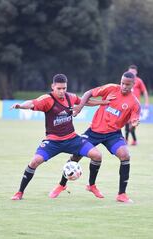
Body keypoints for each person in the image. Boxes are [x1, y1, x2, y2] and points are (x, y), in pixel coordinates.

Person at [10, 74, 110, 200]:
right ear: (53, 87)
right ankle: (19, 192)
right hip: (53, 141)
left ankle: (92, 185)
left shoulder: (70, 97)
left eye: (64, 88)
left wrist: (102, 102)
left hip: (72, 139)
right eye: (59, 88)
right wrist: (20, 106)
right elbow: (31, 103)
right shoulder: (47, 99)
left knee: (97, 155)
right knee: (34, 162)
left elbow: (85, 101)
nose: (62, 91)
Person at [49, 71, 141, 203]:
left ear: (133, 84)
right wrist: (80, 107)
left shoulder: (134, 103)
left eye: (127, 84)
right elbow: (88, 93)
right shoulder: (111, 88)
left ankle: (121, 194)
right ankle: (61, 185)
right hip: (94, 131)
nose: (124, 86)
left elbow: (134, 120)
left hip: (113, 134)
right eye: (122, 83)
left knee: (125, 155)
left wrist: (134, 124)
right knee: (76, 155)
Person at [125, 64, 149, 146]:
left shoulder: (139, 81)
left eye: (133, 71)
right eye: (130, 71)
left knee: (133, 124)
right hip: (126, 105)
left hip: (135, 106)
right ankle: (126, 140)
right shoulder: (125, 80)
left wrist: (146, 102)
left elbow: (145, 91)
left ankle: (134, 140)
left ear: (136, 72)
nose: (131, 73)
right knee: (126, 123)